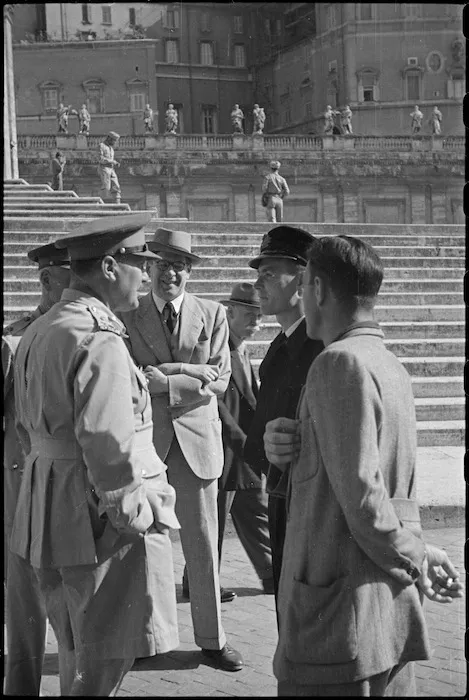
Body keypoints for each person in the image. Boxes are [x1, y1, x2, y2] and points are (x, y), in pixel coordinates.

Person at [264, 235, 464, 696]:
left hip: (342, 616)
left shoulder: (337, 363)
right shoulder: (387, 363)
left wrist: (416, 557)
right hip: (381, 611)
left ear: (316, 289)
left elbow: (364, 499)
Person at [10, 213, 180, 696]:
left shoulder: (43, 328)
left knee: (74, 648)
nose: (147, 276)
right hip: (98, 522)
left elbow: (28, 431)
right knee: (101, 658)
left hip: (48, 506)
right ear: (109, 266)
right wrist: (136, 517)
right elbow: (108, 445)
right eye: (139, 264)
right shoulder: (97, 338)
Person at [121, 227, 244, 673]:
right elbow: (130, 372)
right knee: (143, 544)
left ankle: (212, 639)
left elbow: (221, 377)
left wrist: (168, 378)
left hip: (195, 444)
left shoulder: (211, 313)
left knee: (202, 545)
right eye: (160, 264)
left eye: (178, 265)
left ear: (189, 271)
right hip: (147, 444)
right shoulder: (129, 314)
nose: (168, 273)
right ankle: (146, 638)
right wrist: (192, 374)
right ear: (148, 268)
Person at [243, 226, 324, 612]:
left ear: (304, 279)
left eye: (270, 273)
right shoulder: (281, 345)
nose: (258, 283)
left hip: (310, 504)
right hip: (281, 497)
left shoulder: (322, 349)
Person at [3, 242, 71, 697]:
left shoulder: (89, 330)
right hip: (22, 479)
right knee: (25, 596)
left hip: (68, 484)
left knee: (73, 597)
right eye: (71, 274)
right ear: (47, 282)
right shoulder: (14, 338)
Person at [217, 283, 274, 593]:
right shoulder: (219, 347)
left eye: (260, 317)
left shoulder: (242, 346)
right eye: (251, 317)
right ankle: (198, 581)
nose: (257, 324)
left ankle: (270, 574)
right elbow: (217, 404)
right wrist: (240, 440)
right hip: (226, 450)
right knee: (216, 518)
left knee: (255, 507)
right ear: (230, 313)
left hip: (246, 450)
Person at [97, 131, 121, 204]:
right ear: (109, 139)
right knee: (106, 188)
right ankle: (100, 205)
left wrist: (115, 163)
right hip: (104, 168)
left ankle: (118, 206)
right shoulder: (101, 145)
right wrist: (112, 161)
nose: (114, 143)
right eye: (114, 141)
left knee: (116, 186)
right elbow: (100, 159)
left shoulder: (111, 149)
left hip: (111, 169)